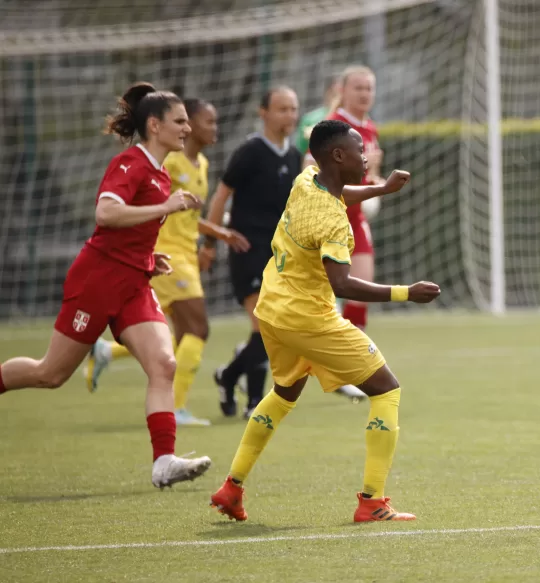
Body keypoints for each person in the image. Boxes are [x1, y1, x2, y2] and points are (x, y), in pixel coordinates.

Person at [210, 119, 439, 522]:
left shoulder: (307, 178)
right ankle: (373, 502)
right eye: (359, 149)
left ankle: (232, 488)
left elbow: (339, 191)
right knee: (386, 389)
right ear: (338, 156)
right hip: (307, 318)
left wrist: (380, 189)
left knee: (283, 395)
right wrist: (406, 292)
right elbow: (342, 283)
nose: (366, 155)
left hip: (273, 309)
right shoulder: (332, 222)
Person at [0, 82, 213, 487]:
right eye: (180, 121)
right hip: (97, 281)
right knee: (51, 373)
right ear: (155, 125)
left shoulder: (160, 172)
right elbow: (106, 214)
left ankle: (164, 461)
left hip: (134, 283)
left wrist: (150, 260)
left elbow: (131, 232)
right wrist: (166, 207)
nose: (187, 128)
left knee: (164, 364)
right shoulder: (130, 163)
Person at [84, 98, 250, 426]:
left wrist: (216, 234)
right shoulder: (169, 163)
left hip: (187, 252)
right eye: (205, 121)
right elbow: (156, 205)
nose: (208, 128)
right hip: (167, 253)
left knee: (174, 336)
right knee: (198, 329)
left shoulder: (200, 165)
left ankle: (106, 351)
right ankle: (175, 408)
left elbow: (186, 213)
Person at [205, 86, 302, 418]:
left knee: (275, 331)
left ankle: (229, 375)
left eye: (293, 109)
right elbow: (220, 196)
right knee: (266, 326)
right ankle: (254, 404)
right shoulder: (250, 151)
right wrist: (210, 242)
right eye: (282, 109)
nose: (289, 115)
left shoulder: (293, 156)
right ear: (264, 112)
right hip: (247, 250)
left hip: (280, 254)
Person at [308, 65, 383, 401]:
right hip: (331, 218)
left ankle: (351, 369)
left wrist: (378, 180)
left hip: (357, 220)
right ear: (344, 89)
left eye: (369, 88)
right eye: (359, 87)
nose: (365, 94)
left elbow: (368, 179)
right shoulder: (332, 126)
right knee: (321, 297)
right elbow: (310, 172)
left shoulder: (371, 129)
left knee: (362, 290)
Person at [294, 73, 343, 156]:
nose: (337, 99)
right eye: (335, 94)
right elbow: (301, 149)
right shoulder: (311, 119)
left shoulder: (354, 118)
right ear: (327, 92)